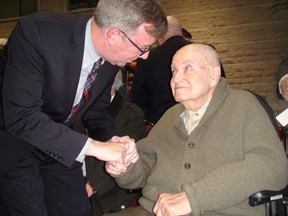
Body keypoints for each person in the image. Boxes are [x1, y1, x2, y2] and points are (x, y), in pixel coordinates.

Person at [0, 0, 167, 215]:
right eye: (143, 47)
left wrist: (111, 140)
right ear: (114, 35)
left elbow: (96, 111)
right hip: (13, 142)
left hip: (58, 146)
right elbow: (22, 117)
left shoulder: (110, 59)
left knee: (77, 208)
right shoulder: (38, 33)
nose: (146, 56)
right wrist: (98, 148)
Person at [105, 43, 288, 216]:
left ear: (214, 75)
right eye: (174, 70)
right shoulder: (170, 117)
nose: (175, 78)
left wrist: (194, 198)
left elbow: (272, 165)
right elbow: (143, 167)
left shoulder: (244, 105)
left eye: (187, 68)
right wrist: (124, 164)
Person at [83, 70, 147, 215]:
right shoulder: (82, 108)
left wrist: (92, 186)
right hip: (76, 179)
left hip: (107, 189)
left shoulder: (130, 114)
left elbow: (126, 161)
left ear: (108, 83)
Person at [131, 16, 191, 125]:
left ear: (160, 34)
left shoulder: (148, 58)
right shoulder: (205, 53)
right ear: (180, 31)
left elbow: (138, 98)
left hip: (161, 124)